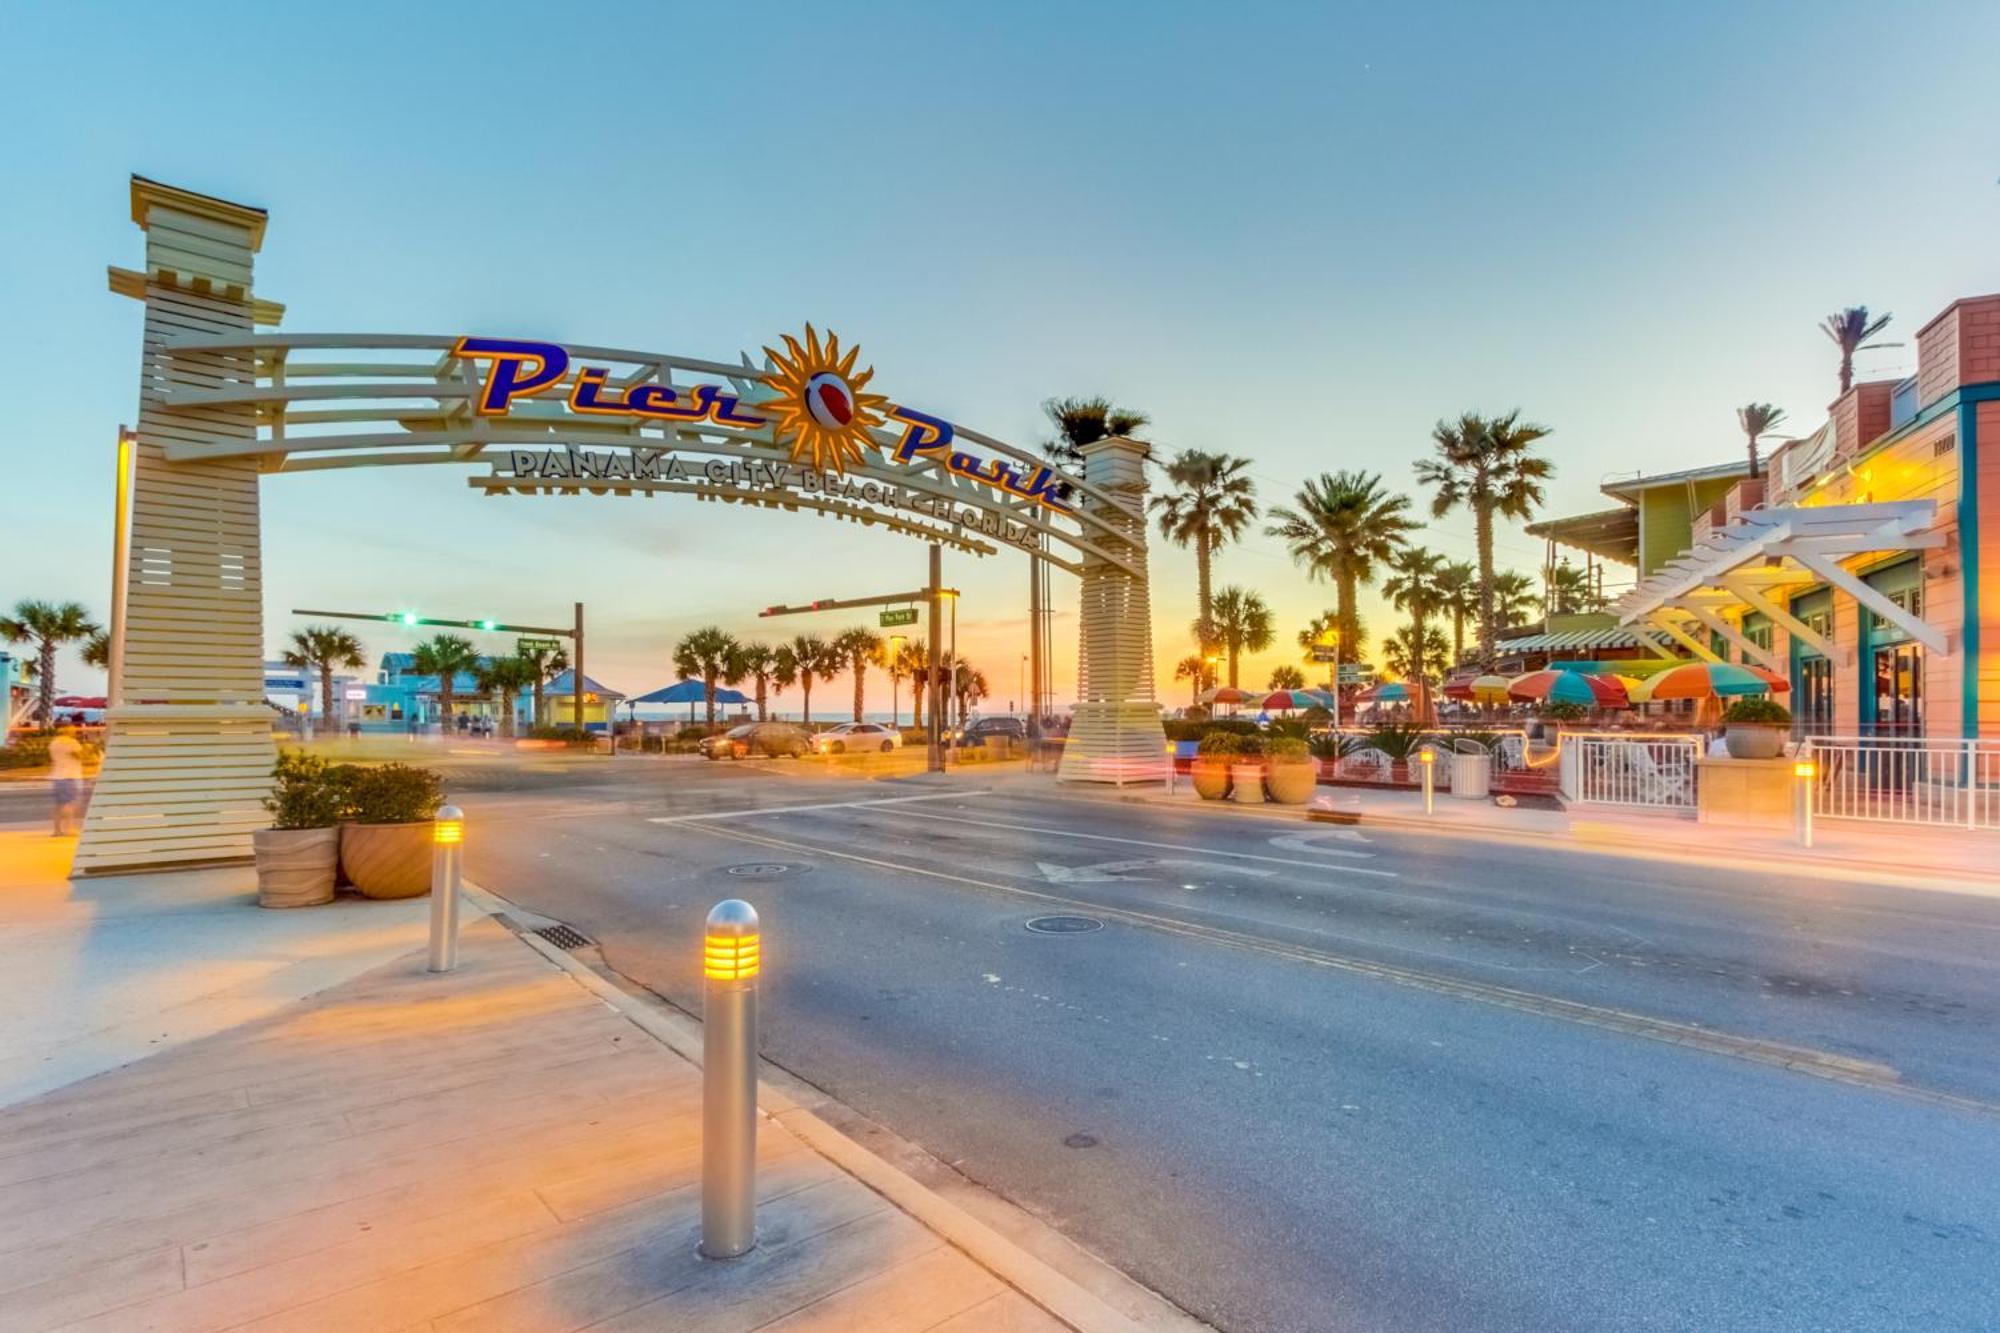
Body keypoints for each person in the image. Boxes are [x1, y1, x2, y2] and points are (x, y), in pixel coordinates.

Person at [47, 724, 87, 837]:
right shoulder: (71, 743)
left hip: (56, 776)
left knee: (58, 805)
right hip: (70, 776)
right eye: (73, 730)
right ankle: (69, 829)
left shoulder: (54, 743)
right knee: (69, 804)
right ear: (68, 731)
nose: (75, 732)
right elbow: (79, 756)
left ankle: (57, 830)